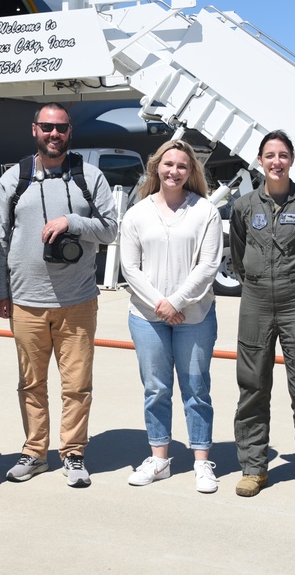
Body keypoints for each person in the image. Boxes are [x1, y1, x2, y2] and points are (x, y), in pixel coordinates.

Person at [0, 102, 117, 488]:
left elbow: (111, 229)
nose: (54, 134)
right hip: (26, 301)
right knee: (31, 383)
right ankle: (34, 451)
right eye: (47, 127)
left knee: (77, 385)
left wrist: (72, 222)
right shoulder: (14, 180)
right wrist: (1, 290)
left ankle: (73, 453)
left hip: (77, 301)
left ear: (69, 133)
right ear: (34, 130)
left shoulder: (89, 177)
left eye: (61, 128)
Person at [230, 130, 295, 505]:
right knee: (252, 386)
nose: (276, 162)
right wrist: (257, 283)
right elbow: (238, 255)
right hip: (255, 301)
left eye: (283, 155)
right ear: (260, 161)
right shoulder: (243, 207)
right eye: (269, 155)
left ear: (292, 160)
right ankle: (253, 466)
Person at [119, 139, 222, 493]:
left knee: (196, 389)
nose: (174, 171)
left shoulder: (206, 211)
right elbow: (130, 267)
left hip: (195, 316)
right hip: (147, 317)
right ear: (156, 168)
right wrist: (160, 304)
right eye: (168, 164)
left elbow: (208, 265)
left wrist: (176, 302)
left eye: (181, 165)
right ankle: (159, 458)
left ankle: (201, 461)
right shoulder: (136, 213)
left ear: (191, 171)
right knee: (156, 388)